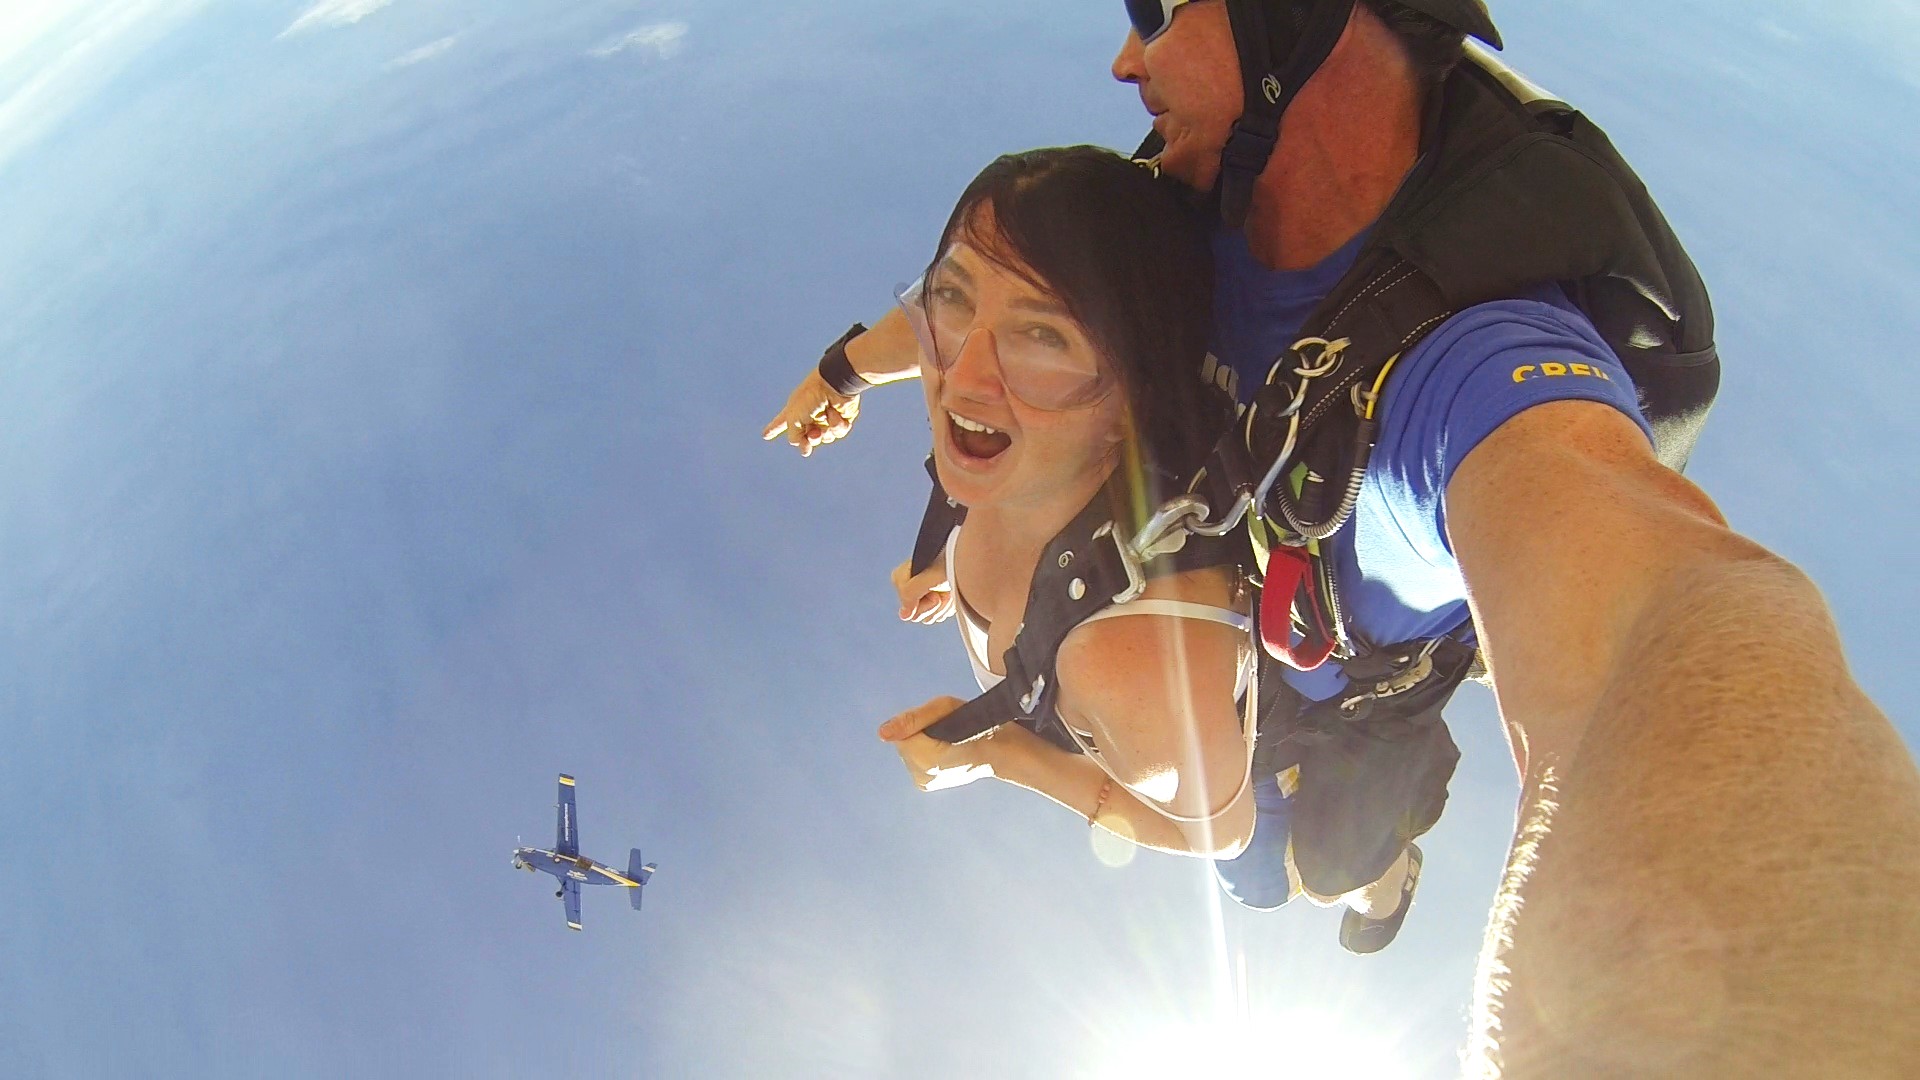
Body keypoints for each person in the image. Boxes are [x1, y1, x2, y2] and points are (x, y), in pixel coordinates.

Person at [766, 1, 1920, 1073]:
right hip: (1239, 644)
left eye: (1160, 11)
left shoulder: (1473, 371)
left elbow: (1654, 622)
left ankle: (1388, 877)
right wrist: (843, 371)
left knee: (1321, 868)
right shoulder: (1182, 214)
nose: (1127, 60)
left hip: (1348, 710)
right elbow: (988, 294)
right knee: (1260, 870)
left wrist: (1740, 1008)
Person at [866, 144, 1422, 935]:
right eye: (952, 296)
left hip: (1275, 727)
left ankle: (1386, 881)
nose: (962, 378)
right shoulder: (1013, 460)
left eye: (1043, 336)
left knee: (1287, 880)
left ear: (1135, 394)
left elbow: (1218, 834)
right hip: (1187, 722)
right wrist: (838, 379)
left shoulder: (1123, 666)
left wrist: (1000, 755)